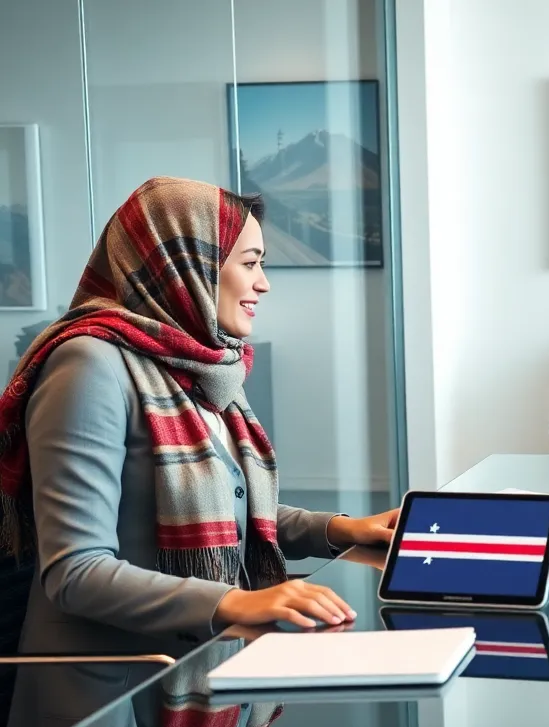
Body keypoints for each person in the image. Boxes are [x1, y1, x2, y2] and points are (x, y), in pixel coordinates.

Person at [0, 177, 399, 667]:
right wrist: (235, 601)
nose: (263, 283)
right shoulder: (88, 365)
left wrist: (341, 529)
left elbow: (225, 508)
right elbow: (76, 572)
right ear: (187, 265)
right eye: (250, 263)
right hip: (110, 691)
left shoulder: (203, 365)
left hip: (195, 667)